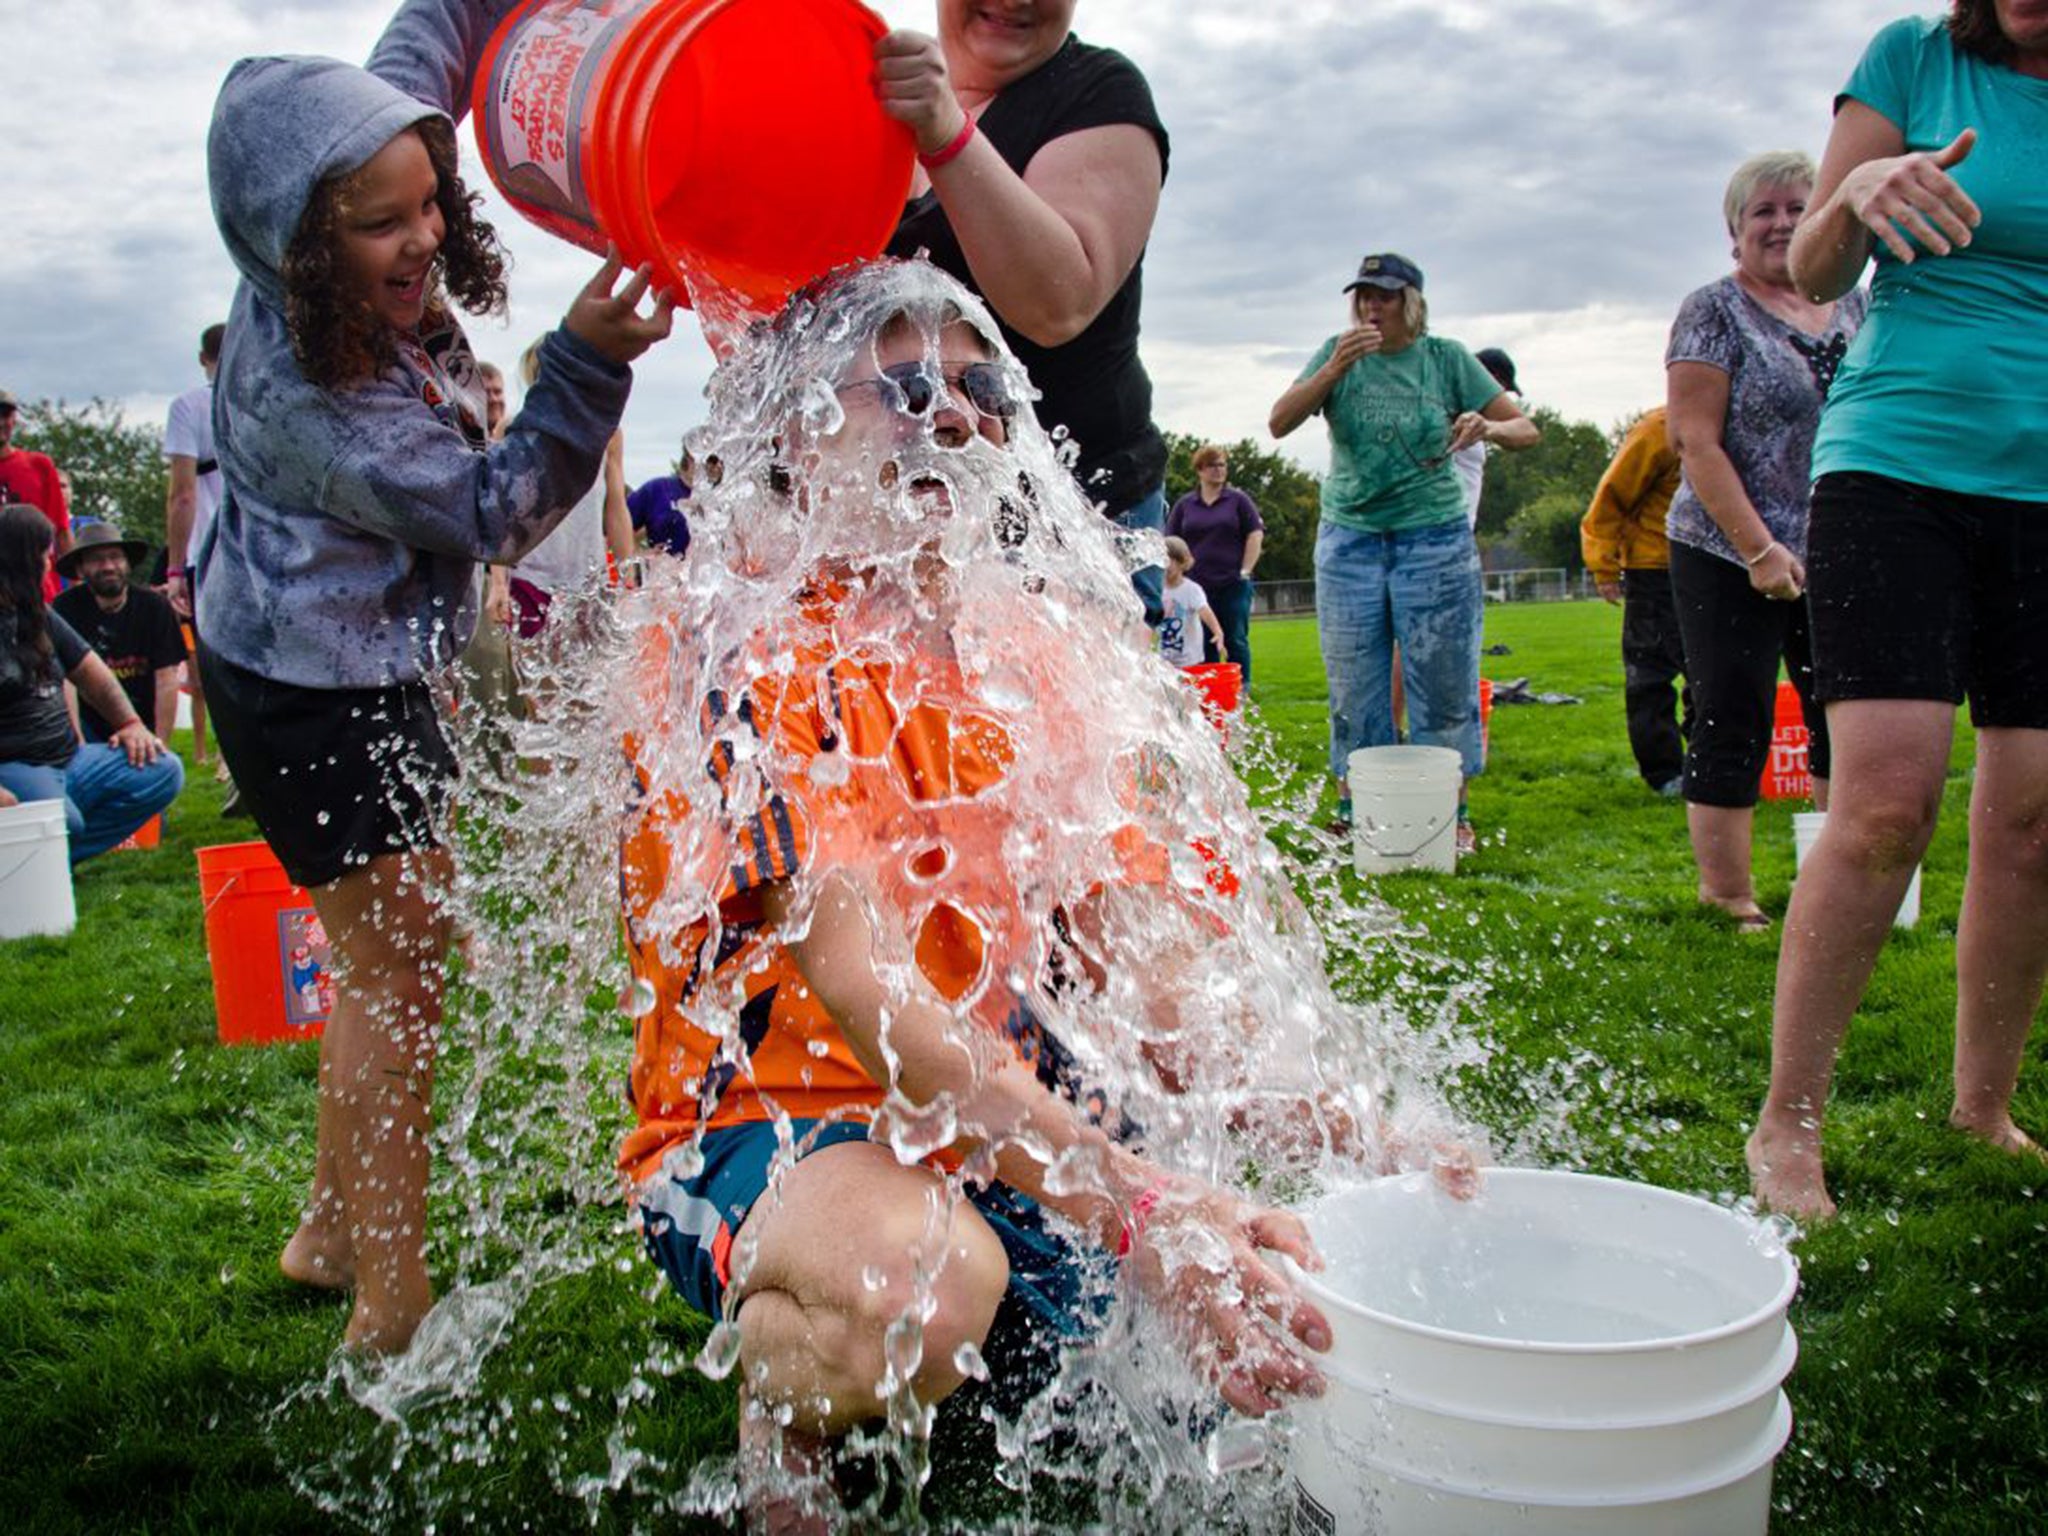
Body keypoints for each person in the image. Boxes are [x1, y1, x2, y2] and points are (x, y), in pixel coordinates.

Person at [618, 264, 1460, 1513]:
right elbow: (872, 1000)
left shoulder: (1032, 651)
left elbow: (1143, 957)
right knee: (925, 1294)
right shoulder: (737, 646)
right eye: (902, 387)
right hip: (774, 1125)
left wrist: (1345, 1124)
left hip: (989, 1120)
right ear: (792, 438)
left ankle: (1003, 1273)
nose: (951, 417)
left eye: (977, 389)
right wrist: (1140, 1206)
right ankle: (783, 1405)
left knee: (1097, 1307)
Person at [197, 0, 674, 1355]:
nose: (421, 241)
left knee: (390, 957)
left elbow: (437, 34)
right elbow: (495, 510)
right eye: (380, 225)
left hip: (350, 661)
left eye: (429, 203)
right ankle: (387, 1314)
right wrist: (581, 366)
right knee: (398, 971)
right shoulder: (311, 396)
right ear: (295, 246)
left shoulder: (364, 157)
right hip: (308, 691)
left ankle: (333, 1235)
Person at [1750, 2, 2048, 1220]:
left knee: (2032, 818)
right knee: (1882, 806)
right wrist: (1858, 189)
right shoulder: (1911, 59)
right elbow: (1807, 268)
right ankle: (1787, 1126)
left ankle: (1981, 1104)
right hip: (1896, 468)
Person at [876, 1, 1172, 622]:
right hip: (901, 518)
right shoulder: (866, 98)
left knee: (1064, 717)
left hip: (1078, 515)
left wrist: (946, 133)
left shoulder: (1098, 91)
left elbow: (1057, 304)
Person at [1268, 253, 1538, 843]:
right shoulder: (1336, 355)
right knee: (1354, 684)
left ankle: (1452, 815)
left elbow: (1525, 428)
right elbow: (1279, 423)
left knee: (1443, 680)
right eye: (1363, 295)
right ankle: (1354, 810)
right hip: (1349, 540)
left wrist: (1486, 426)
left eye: (1384, 296)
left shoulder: (1446, 359)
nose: (1371, 307)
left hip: (1434, 538)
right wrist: (1331, 370)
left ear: (1412, 303)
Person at [1665, 152, 1868, 934]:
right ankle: (1728, 894)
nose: (1781, 223)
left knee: (1843, 712)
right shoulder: (1712, 310)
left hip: (1842, 543)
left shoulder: (1857, 305)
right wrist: (1759, 550)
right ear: (1735, 232)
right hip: (1725, 547)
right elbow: (1695, 441)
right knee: (1732, 711)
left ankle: (1839, 884)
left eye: (1797, 208)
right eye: (1764, 212)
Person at [0, 507, 184, 862]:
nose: (47, 565)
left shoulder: (37, 613)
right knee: (67, 821)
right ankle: (36, 856)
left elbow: (89, 671)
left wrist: (130, 724)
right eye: (42, 555)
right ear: (19, 560)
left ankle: (51, 859)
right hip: (15, 769)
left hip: (70, 760)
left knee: (163, 770)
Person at [490, 335, 635, 641]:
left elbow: (616, 509)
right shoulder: (513, 428)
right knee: (536, 685)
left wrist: (627, 580)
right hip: (530, 575)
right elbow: (498, 509)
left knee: (591, 684)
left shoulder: (607, 434)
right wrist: (498, 583)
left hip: (589, 580)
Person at [1580, 406, 1690, 795]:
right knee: (1650, 676)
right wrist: (1604, 564)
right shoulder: (1658, 430)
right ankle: (1665, 773)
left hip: (1720, 563)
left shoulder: (1742, 422)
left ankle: (1710, 763)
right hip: (1655, 567)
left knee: (1715, 675)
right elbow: (1611, 498)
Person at [51, 523, 187, 743]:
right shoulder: (64, 608)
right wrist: (78, 745)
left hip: (145, 719)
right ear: (80, 570)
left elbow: (166, 679)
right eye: (96, 559)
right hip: (89, 726)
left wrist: (161, 744)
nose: (108, 566)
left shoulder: (155, 607)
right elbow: (65, 681)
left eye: (115, 557)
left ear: (128, 564)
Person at [165, 323, 226, 767]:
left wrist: (172, 570)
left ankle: (232, 758)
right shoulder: (264, 400)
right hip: (266, 553)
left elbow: (182, 494)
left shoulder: (188, 407)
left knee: (216, 666)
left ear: (203, 359)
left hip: (207, 557)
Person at [1165, 445, 1262, 682]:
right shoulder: (1186, 505)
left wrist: (1245, 570)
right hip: (1197, 585)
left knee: (1235, 638)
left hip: (1232, 583)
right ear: (1200, 470)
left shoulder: (1238, 501)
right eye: (1212, 465)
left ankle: (1240, 691)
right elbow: (1169, 541)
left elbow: (1255, 534)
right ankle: (1209, 692)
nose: (1219, 470)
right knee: (1202, 639)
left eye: (1222, 465)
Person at [0, 386, 70, 602]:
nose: (0, 422)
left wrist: (77, 590)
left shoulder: (38, 465)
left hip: (36, 592)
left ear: (14, 418)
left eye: (5, 415)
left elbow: (61, 532)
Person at [1451, 347, 1521, 530]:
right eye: (1503, 390)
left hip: (1459, 533)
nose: (1502, 399)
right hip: (1443, 534)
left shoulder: (1477, 422)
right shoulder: (1452, 414)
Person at [1157, 535, 1225, 672]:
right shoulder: (1157, 590)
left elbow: (1205, 611)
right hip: (1165, 659)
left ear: (1182, 562)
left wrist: (1218, 631)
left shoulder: (1191, 590)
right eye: (1161, 560)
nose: (1165, 565)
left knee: (1189, 690)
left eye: (1170, 560)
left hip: (1190, 659)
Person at [626, 440, 694, 558]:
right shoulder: (657, 489)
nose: (717, 465)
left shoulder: (722, 497)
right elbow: (615, 534)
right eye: (712, 460)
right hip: (665, 571)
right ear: (690, 456)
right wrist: (640, 555)